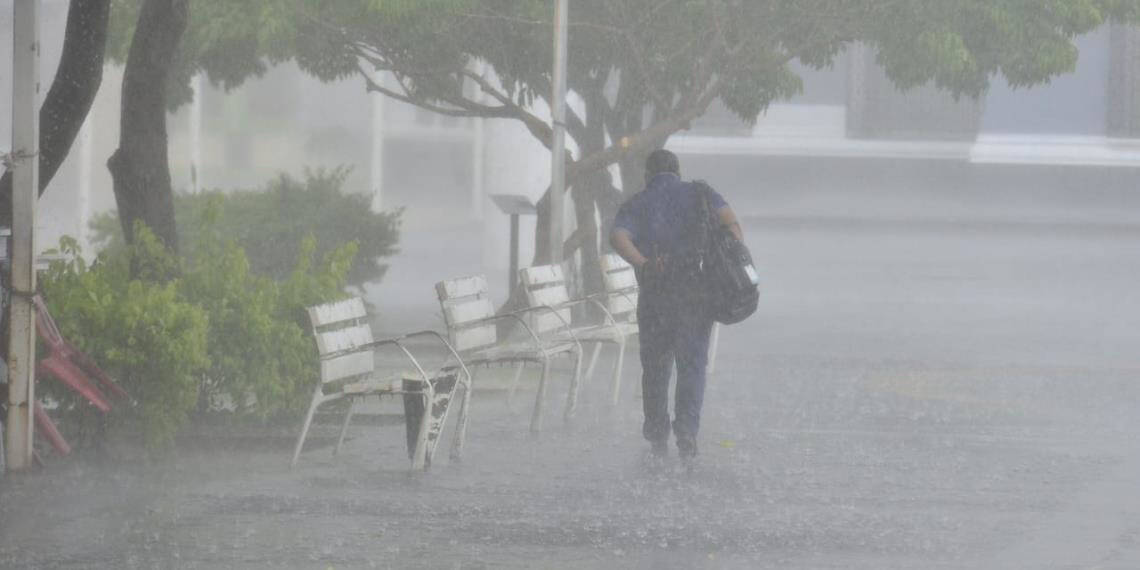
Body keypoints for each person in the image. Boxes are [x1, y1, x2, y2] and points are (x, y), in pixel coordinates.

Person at [610, 149, 742, 463]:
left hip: (656, 297)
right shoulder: (701, 193)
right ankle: (687, 433)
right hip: (696, 296)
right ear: (678, 172)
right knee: (692, 365)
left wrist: (643, 263)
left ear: (648, 175)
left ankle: (657, 435)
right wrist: (725, 258)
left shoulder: (638, 202)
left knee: (655, 367)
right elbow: (732, 225)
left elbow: (618, 237)